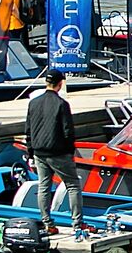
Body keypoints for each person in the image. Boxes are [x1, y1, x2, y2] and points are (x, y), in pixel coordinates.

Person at [26, 69, 87, 233]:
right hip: (58, 152)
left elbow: (28, 130)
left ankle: (47, 223)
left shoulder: (33, 103)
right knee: (73, 185)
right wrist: (70, 152)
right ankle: (77, 224)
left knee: (44, 187)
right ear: (60, 84)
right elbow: (68, 132)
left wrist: (31, 152)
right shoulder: (62, 104)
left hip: (39, 152)